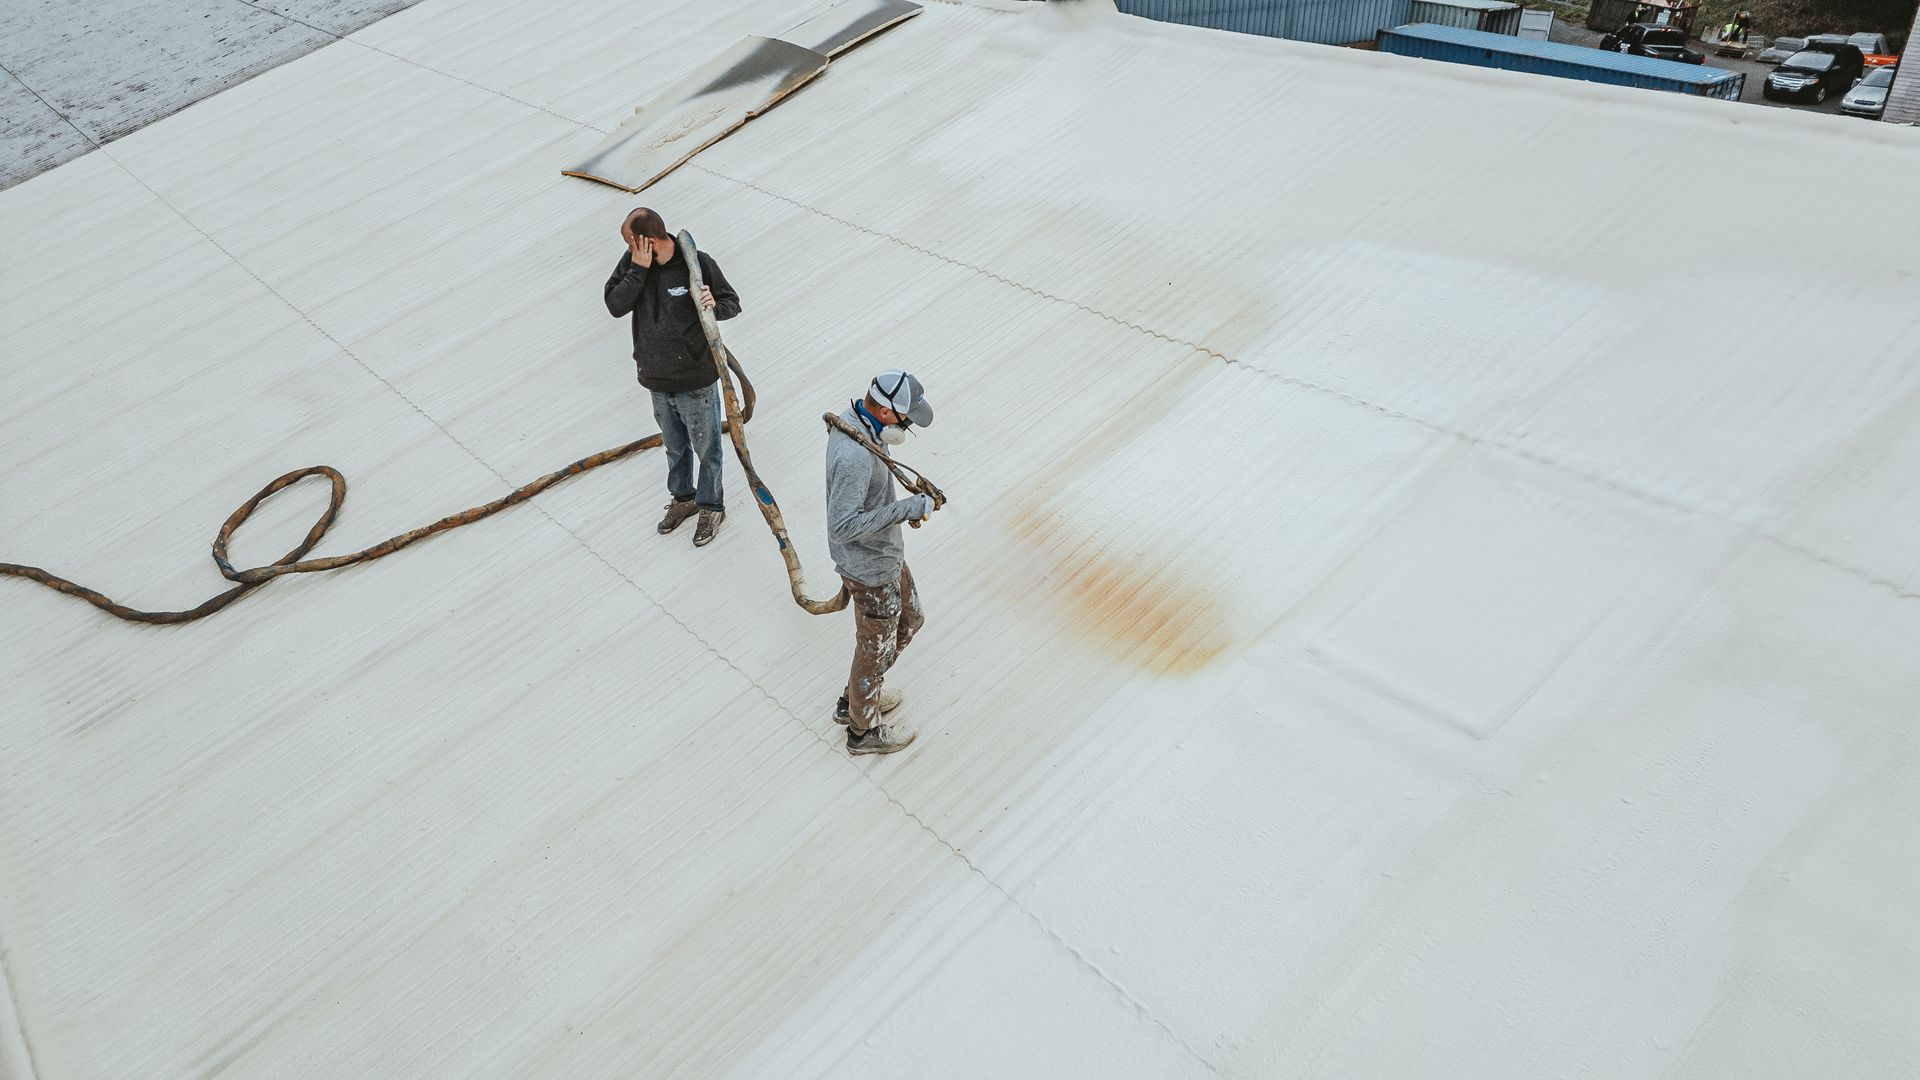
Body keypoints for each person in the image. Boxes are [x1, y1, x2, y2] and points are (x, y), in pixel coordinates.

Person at [604, 207, 742, 547]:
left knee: (707, 447)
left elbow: (732, 303)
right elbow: (615, 305)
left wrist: (713, 304)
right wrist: (637, 270)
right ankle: (683, 498)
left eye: (632, 243)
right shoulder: (633, 264)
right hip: (655, 378)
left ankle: (711, 506)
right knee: (675, 447)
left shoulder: (697, 263)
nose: (629, 249)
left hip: (695, 379)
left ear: (649, 241)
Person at [825, 371, 937, 755]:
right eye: (906, 419)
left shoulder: (860, 424)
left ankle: (858, 696)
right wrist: (906, 508)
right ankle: (862, 731)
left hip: (885, 555)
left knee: (911, 619)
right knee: (874, 648)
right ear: (886, 412)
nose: (907, 426)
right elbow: (841, 526)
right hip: (868, 570)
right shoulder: (853, 456)